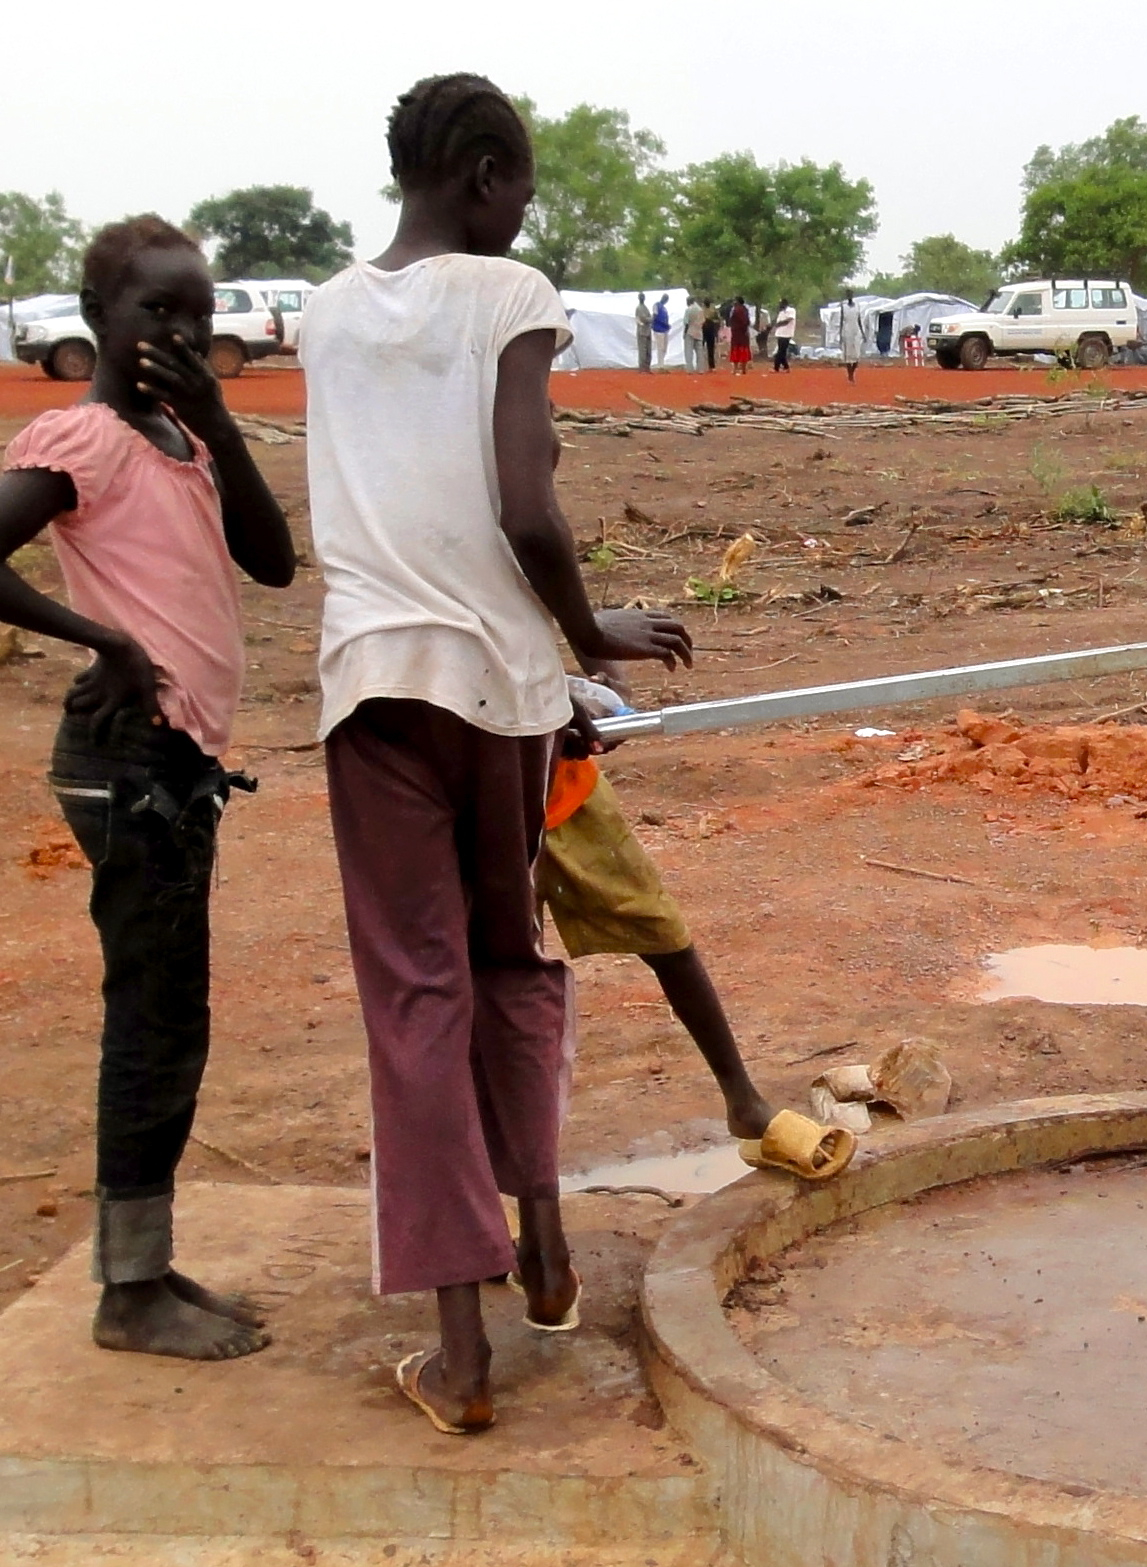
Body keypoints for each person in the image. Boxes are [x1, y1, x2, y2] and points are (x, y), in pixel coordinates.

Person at [300, 72, 696, 1436]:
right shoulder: (511, 298)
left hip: (375, 689)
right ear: (479, 173)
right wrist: (594, 635)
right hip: (504, 698)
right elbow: (530, 509)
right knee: (513, 958)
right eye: (522, 183)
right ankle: (545, 1248)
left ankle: (461, 1351)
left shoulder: (325, 312)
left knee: (416, 994)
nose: (527, 208)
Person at [0, 217, 296, 1361]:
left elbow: (270, 561)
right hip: (133, 764)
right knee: (153, 1019)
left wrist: (219, 420)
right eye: (154, 314)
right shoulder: (86, 437)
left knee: (171, 1016)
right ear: (97, 324)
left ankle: (148, 1262)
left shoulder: (182, 436)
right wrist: (107, 644)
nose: (178, 334)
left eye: (196, 317)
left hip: (175, 764)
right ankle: (129, 1292)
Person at [540, 665, 856, 1175]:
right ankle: (505, 1189)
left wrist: (609, 695)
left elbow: (575, 627)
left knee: (664, 934)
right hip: (479, 808)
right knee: (496, 985)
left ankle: (745, 1104)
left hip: (568, 790)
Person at [726, 297, 752, 377]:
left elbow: (734, 321)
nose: (734, 302)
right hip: (743, 332)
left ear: (738, 302)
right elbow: (747, 321)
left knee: (736, 350)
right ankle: (744, 369)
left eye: (735, 301)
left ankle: (735, 369)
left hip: (737, 332)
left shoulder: (736, 310)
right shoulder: (745, 310)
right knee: (744, 350)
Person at [840, 292, 860, 383]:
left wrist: (862, 332)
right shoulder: (843, 307)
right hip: (847, 331)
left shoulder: (857, 306)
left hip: (856, 331)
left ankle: (852, 372)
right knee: (848, 354)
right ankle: (850, 375)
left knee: (857, 355)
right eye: (848, 295)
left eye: (851, 295)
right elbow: (841, 321)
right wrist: (840, 334)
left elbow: (859, 320)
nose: (850, 297)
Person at [772, 298, 796, 372]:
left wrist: (779, 324)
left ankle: (776, 367)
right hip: (780, 333)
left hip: (786, 334)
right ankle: (786, 367)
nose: (779, 305)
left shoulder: (791, 310)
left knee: (780, 351)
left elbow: (788, 320)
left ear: (784, 304)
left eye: (781, 304)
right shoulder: (781, 312)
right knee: (782, 352)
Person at [700, 298, 721, 372]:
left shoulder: (703, 311)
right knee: (708, 349)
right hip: (707, 329)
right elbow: (718, 320)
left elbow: (718, 320)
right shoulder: (704, 311)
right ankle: (709, 366)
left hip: (707, 329)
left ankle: (708, 366)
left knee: (707, 348)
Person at [634, 291, 652, 373]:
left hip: (647, 330)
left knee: (648, 350)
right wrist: (651, 319)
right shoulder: (639, 308)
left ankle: (647, 367)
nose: (642, 298)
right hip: (642, 331)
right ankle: (642, 368)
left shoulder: (645, 307)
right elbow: (644, 318)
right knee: (642, 350)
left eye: (643, 297)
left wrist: (650, 318)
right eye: (641, 297)